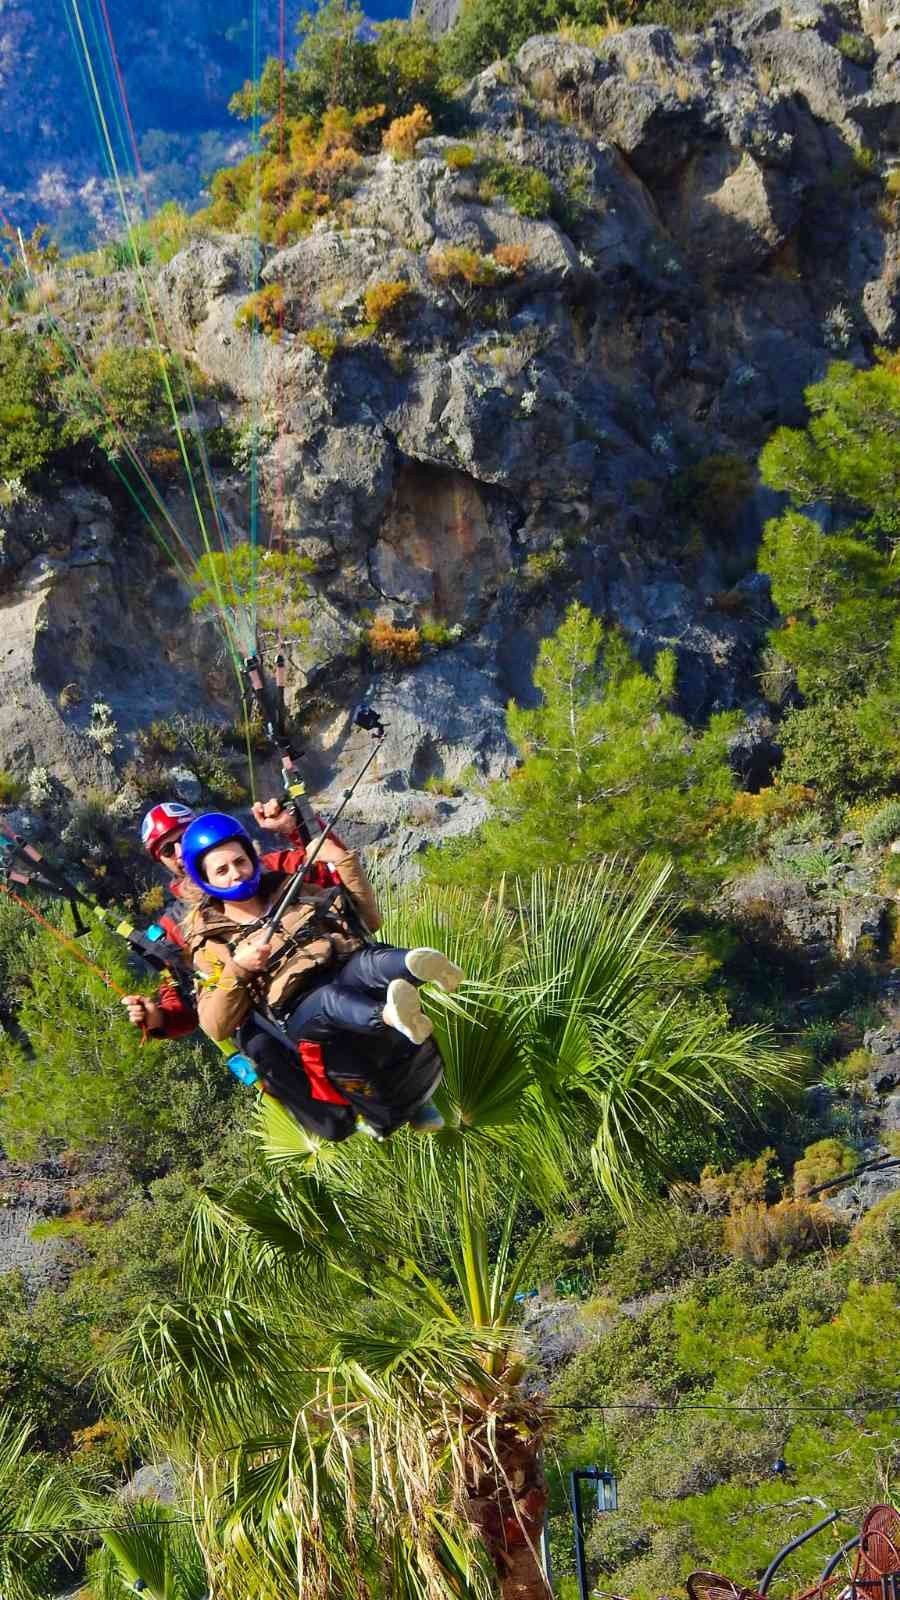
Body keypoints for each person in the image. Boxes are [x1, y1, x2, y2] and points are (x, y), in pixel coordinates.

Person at [180, 811, 463, 1133]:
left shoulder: (290, 889)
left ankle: (420, 964)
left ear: (251, 857)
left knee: (366, 963)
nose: (236, 874)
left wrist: (343, 862)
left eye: (240, 861)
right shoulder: (210, 945)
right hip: (298, 1013)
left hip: (341, 971)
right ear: (206, 880)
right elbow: (215, 1026)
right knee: (330, 998)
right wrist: (239, 968)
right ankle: (390, 1015)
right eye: (222, 870)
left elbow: (366, 922)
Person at [121, 797, 338, 1037]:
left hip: (331, 970)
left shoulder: (264, 869)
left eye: (184, 837)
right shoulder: (174, 927)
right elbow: (186, 1001)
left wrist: (295, 829)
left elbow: (333, 876)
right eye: (167, 850)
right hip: (275, 1027)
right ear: (161, 861)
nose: (180, 853)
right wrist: (159, 1018)